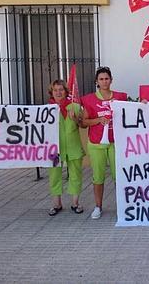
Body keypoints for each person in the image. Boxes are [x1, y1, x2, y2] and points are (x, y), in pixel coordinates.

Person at [81, 67, 128, 219]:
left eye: (106, 78)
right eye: (101, 79)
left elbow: (129, 116)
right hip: (96, 144)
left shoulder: (120, 97)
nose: (104, 81)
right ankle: (98, 206)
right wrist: (98, 120)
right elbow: (83, 122)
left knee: (119, 176)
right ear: (97, 82)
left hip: (116, 142)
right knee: (98, 176)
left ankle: (122, 206)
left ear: (111, 80)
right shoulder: (88, 99)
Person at [47, 80, 85, 216]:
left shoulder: (74, 106)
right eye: (55, 90)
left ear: (66, 91)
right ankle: (57, 203)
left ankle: (75, 203)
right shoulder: (46, 109)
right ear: (51, 92)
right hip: (54, 148)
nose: (58, 92)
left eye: (61, 89)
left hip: (73, 146)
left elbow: (83, 125)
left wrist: (75, 119)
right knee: (54, 175)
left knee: (75, 174)